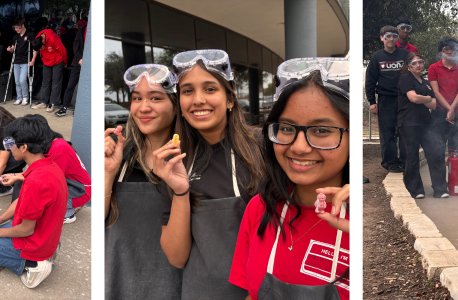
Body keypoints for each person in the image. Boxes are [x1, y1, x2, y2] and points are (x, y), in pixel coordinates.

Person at [230, 58, 350, 299]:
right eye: (286, 128)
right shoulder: (259, 208)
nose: (299, 147)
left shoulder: (363, 220)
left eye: (322, 130)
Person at [156, 49, 264, 299]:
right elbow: (176, 257)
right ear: (180, 104)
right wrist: (180, 190)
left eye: (210, 89)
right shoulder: (175, 160)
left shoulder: (265, 147)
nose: (198, 100)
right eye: (188, 91)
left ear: (230, 99)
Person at [104, 64, 182, 299]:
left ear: (176, 105)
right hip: (118, 283)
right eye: (137, 98)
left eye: (156, 98)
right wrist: (108, 173)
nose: (143, 107)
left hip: (172, 287)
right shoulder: (120, 156)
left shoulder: (189, 161)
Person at [0, 115, 67, 289]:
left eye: (10, 144)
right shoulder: (47, 165)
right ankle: (48, 251)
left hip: (34, 241)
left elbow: (27, 228)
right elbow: (20, 203)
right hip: (48, 234)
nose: (8, 148)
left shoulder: (36, 182)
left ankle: (33, 264)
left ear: (24, 147)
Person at [1, 114, 91, 223]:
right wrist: (15, 176)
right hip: (70, 184)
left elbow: (50, 182)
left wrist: (18, 177)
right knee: (23, 182)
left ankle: (67, 214)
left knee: (34, 192)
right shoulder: (51, 143)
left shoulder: (58, 150)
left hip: (79, 191)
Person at [396, 53, 448, 198]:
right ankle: (415, 190)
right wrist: (426, 98)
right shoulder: (405, 78)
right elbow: (413, 98)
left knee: (435, 154)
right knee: (412, 156)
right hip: (408, 122)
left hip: (426, 123)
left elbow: (434, 104)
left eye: (420, 62)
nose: (418, 65)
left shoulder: (425, 82)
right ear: (409, 66)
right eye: (415, 63)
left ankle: (440, 189)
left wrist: (422, 99)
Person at [365, 25, 409, 173]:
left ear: (397, 38)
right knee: (387, 134)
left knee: (405, 131)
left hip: (404, 100)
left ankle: (405, 161)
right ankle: (390, 163)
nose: (391, 39)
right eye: (388, 36)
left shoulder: (405, 54)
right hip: (385, 100)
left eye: (394, 36)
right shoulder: (377, 57)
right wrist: (372, 102)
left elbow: (414, 74)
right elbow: (370, 81)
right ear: (382, 38)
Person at [428, 36, 458, 192]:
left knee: (457, 151)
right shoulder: (434, 68)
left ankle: (457, 185)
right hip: (439, 114)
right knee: (438, 151)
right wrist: (448, 109)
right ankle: (440, 186)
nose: (450, 52)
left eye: (453, 49)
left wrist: (452, 109)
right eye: (446, 49)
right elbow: (436, 92)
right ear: (441, 51)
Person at [31, 23, 67, 111]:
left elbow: (62, 50)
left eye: (41, 48)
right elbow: (36, 49)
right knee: (45, 82)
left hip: (57, 61)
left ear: (43, 43)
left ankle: (53, 103)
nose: (41, 50)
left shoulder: (53, 37)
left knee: (55, 83)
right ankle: (43, 102)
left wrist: (65, 62)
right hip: (46, 61)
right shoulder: (38, 38)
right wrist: (33, 60)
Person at [56, 19, 85, 117]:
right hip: (78, 62)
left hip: (89, 64)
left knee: (84, 88)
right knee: (70, 85)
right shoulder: (82, 29)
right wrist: (80, 58)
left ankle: (78, 109)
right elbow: (76, 44)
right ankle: (64, 108)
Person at [7, 17, 37, 106]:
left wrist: (33, 60)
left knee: (22, 80)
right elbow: (13, 48)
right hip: (16, 61)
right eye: (14, 28)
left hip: (25, 61)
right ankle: (19, 98)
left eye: (18, 27)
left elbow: (36, 48)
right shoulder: (15, 36)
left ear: (23, 25)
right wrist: (10, 49)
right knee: (17, 81)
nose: (16, 29)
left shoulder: (30, 34)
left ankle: (25, 97)